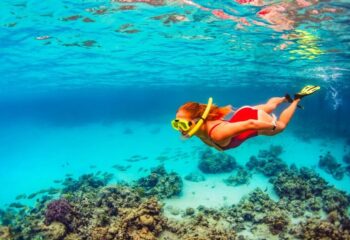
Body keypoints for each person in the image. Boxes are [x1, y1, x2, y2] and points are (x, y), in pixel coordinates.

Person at [171, 86, 320, 151]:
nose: (179, 128)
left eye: (183, 124)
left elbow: (251, 124)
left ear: (199, 120)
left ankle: (296, 100)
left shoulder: (217, 133)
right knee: (270, 105)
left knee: (281, 126)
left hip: (252, 119)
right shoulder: (198, 129)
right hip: (243, 113)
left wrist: (272, 126)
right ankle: (283, 99)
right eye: (175, 123)